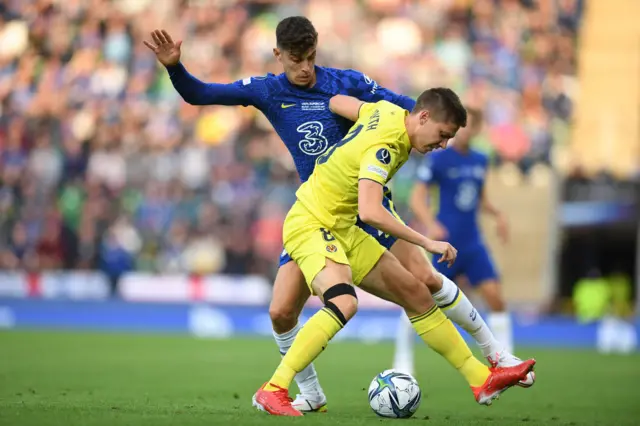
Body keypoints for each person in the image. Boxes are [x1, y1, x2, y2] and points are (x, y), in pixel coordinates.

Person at [144, 16, 526, 413]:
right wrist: (174, 66)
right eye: (296, 60)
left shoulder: (349, 82)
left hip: (363, 206)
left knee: (423, 281)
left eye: (311, 57)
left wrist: (436, 125)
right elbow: (199, 93)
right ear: (278, 55)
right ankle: (306, 393)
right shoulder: (267, 91)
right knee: (281, 312)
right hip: (321, 210)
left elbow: (410, 110)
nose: (306, 68)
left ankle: (496, 359)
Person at [253, 92, 536, 416]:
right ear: (424, 118)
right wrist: (427, 242)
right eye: (443, 135)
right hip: (312, 222)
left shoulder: (387, 110)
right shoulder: (386, 146)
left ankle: (480, 379)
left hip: (343, 227)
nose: (442, 145)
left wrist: (342, 151)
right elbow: (371, 211)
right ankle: (274, 388)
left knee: (416, 293)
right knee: (344, 302)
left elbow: (338, 103)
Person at [410, 108, 515, 356]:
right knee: (420, 299)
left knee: (496, 298)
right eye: (460, 125)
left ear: (477, 129)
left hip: (472, 242)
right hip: (445, 243)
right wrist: (430, 223)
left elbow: (480, 199)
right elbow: (417, 199)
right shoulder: (438, 157)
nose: (465, 130)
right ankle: (404, 358)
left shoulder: (480, 159)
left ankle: (507, 356)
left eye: (470, 125)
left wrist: (497, 214)